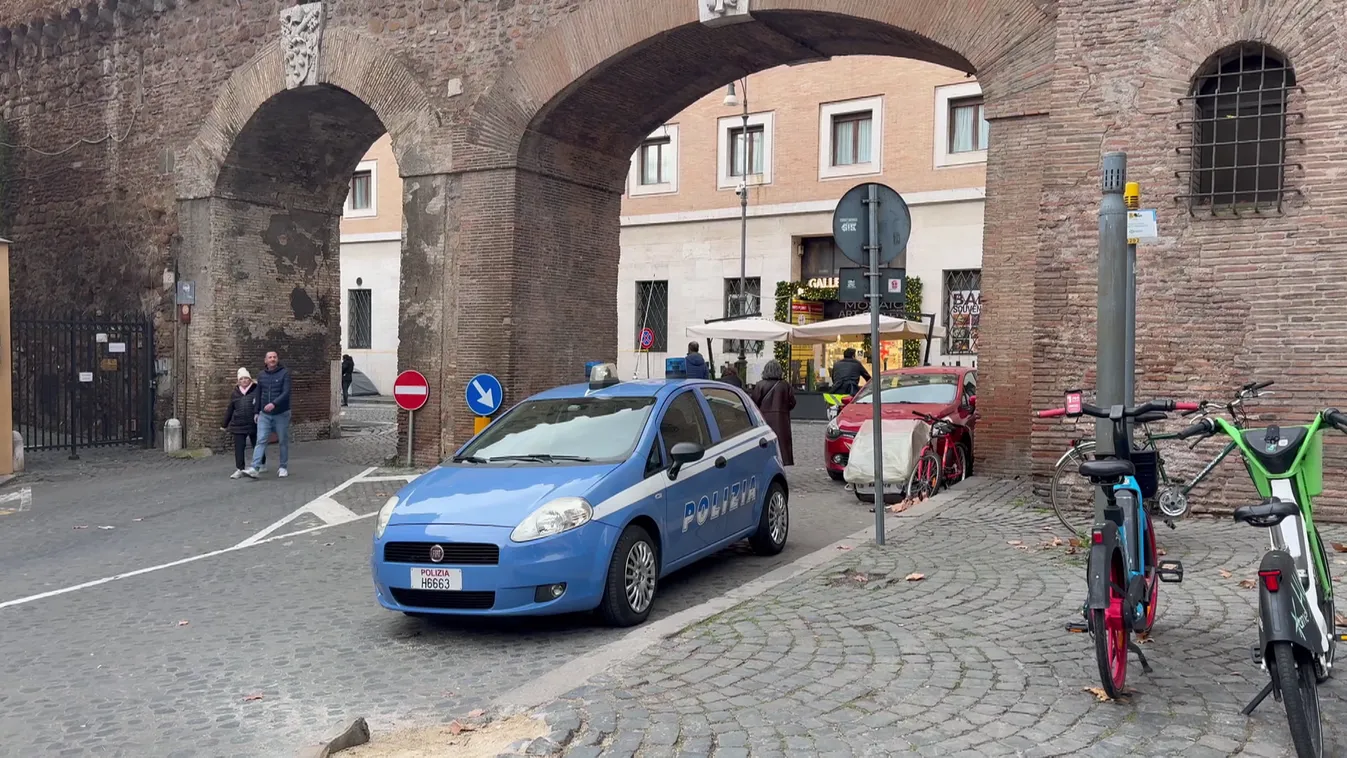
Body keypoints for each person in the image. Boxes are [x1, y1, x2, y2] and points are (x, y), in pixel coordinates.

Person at [243, 351, 292, 479]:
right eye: (270, 357)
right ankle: (255, 467)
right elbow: (258, 394)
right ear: (265, 361)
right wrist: (256, 411)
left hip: (281, 413)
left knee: (283, 441)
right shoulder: (261, 375)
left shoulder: (284, 373)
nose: (272, 359)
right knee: (261, 440)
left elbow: (286, 392)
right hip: (264, 414)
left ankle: (283, 467)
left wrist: (274, 404)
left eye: (274, 357)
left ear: (277, 359)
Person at [750, 360, 796, 466]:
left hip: (764, 419)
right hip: (781, 421)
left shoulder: (760, 385)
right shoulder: (785, 385)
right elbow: (792, 402)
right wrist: (784, 409)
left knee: (765, 443)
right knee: (781, 445)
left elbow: (754, 403)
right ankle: (781, 464)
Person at [220, 368, 264, 479]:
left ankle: (261, 463)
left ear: (250, 379)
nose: (244, 381)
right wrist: (224, 424)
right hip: (238, 424)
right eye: (241, 379)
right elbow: (230, 409)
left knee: (257, 444)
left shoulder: (256, 390)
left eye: (246, 378)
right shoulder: (235, 393)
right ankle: (240, 468)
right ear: (238, 381)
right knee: (239, 447)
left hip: (253, 423)